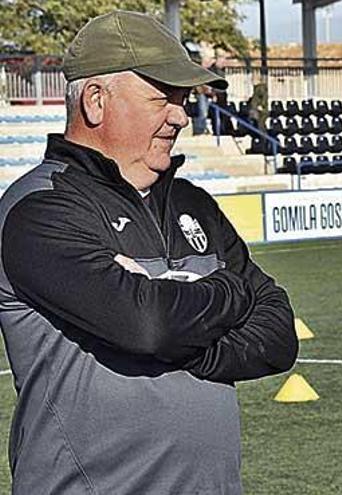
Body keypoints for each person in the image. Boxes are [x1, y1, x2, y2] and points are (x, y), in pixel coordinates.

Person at [0, 10, 297, 494]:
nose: (181, 115)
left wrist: (189, 345)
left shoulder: (193, 204)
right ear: (96, 101)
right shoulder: (39, 210)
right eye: (163, 97)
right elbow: (147, 325)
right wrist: (228, 292)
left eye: (182, 100)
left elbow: (279, 335)